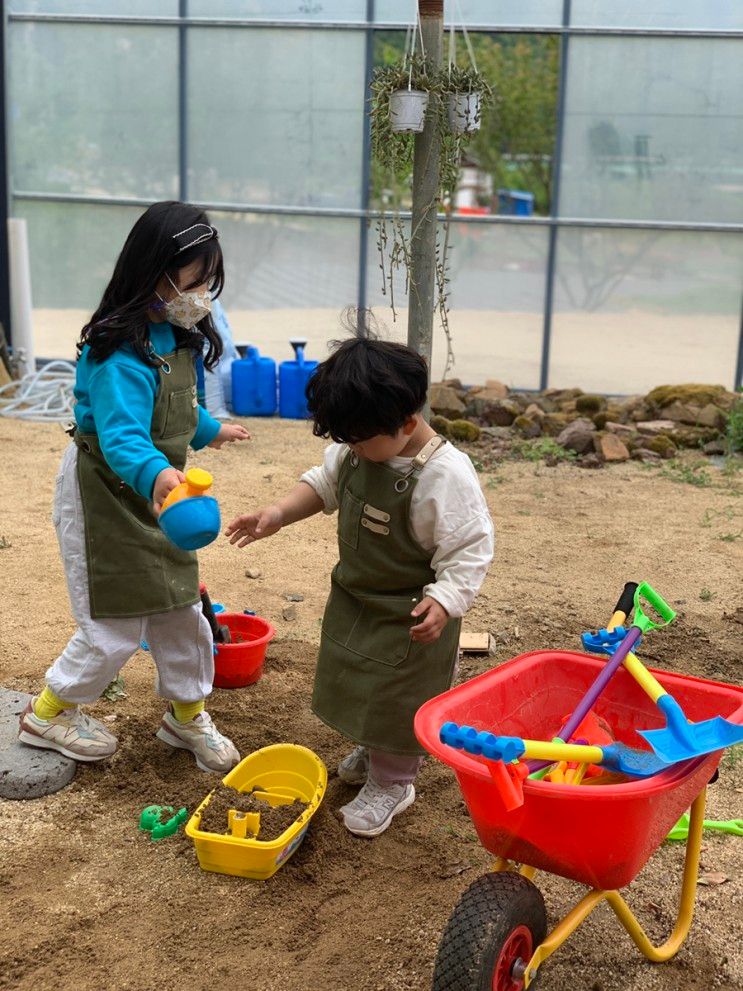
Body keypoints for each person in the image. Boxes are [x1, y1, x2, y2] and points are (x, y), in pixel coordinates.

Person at [226, 323, 494, 835]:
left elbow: (469, 549)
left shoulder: (444, 476)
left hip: (412, 614)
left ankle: (395, 782)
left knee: (398, 697)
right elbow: (325, 484)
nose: (351, 448)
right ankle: (375, 752)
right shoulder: (359, 446)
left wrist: (445, 600)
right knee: (360, 680)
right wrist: (278, 513)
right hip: (358, 597)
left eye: (359, 438)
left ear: (407, 421)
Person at [18, 201, 250, 773]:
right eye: (192, 283)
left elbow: (176, 412)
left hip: (159, 494)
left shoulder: (174, 337)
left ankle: (187, 715)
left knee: (180, 609)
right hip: (106, 493)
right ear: (154, 274)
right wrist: (161, 475)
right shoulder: (118, 353)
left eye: (206, 284)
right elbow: (123, 438)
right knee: (114, 623)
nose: (200, 297)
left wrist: (211, 431)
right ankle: (47, 715)